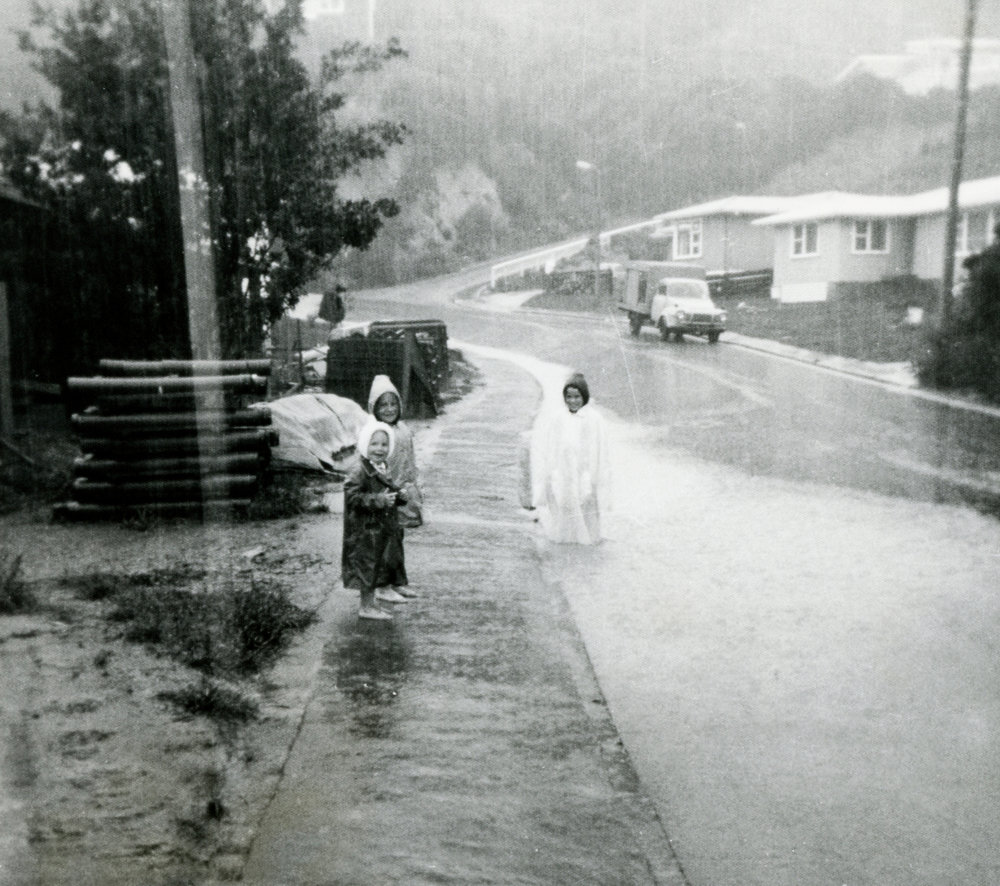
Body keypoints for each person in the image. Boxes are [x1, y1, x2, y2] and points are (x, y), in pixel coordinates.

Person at [341, 420, 415, 622]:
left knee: (377, 564)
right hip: (364, 529)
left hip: (379, 527)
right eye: (374, 444)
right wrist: (379, 500)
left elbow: (386, 490)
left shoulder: (382, 466)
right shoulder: (359, 470)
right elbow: (352, 497)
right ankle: (365, 606)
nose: (379, 449)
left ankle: (374, 600)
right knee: (367, 565)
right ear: (365, 444)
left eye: (384, 444)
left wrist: (398, 496)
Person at [529, 372, 611, 544]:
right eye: (569, 397)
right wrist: (551, 472)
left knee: (586, 503)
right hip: (564, 470)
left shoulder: (594, 419)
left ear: (584, 397)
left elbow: (600, 449)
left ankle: (589, 539)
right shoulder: (559, 417)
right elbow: (551, 445)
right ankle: (565, 538)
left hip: (585, 471)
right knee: (565, 503)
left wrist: (595, 475)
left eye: (577, 397)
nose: (573, 401)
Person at [367, 374, 424, 528]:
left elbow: (410, 463)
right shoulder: (374, 433)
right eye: (383, 405)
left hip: (407, 492)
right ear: (374, 407)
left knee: (404, 528)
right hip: (386, 496)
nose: (389, 409)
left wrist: (414, 490)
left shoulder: (403, 429)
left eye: (394, 404)